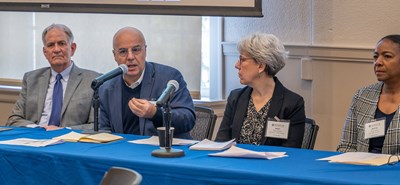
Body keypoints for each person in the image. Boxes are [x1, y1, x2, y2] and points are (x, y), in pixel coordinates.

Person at [98, 27, 195, 138]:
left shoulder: (169, 78)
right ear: (114, 55)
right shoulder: (106, 87)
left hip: (162, 151)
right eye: (123, 51)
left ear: (145, 50)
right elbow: (104, 130)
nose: (130, 57)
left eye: (136, 50)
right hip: (122, 152)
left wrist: (155, 113)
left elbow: (188, 120)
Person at [215, 33, 305, 148]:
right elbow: (221, 142)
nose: (236, 65)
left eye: (242, 59)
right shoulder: (235, 97)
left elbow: (291, 151)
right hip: (234, 164)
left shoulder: (292, 103)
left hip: (272, 165)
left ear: (261, 66)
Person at [6, 24, 100, 131]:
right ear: (45, 52)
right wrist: (39, 129)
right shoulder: (31, 79)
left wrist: (62, 130)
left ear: (72, 48)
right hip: (34, 138)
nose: (56, 49)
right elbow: (14, 119)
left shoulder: (93, 80)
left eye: (61, 43)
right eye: (50, 45)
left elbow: (97, 125)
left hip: (70, 142)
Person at [337, 35, 400, 154]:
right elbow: (346, 146)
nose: (378, 62)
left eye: (387, 56)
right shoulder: (362, 96)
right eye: (375, 57)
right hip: (360, 169)